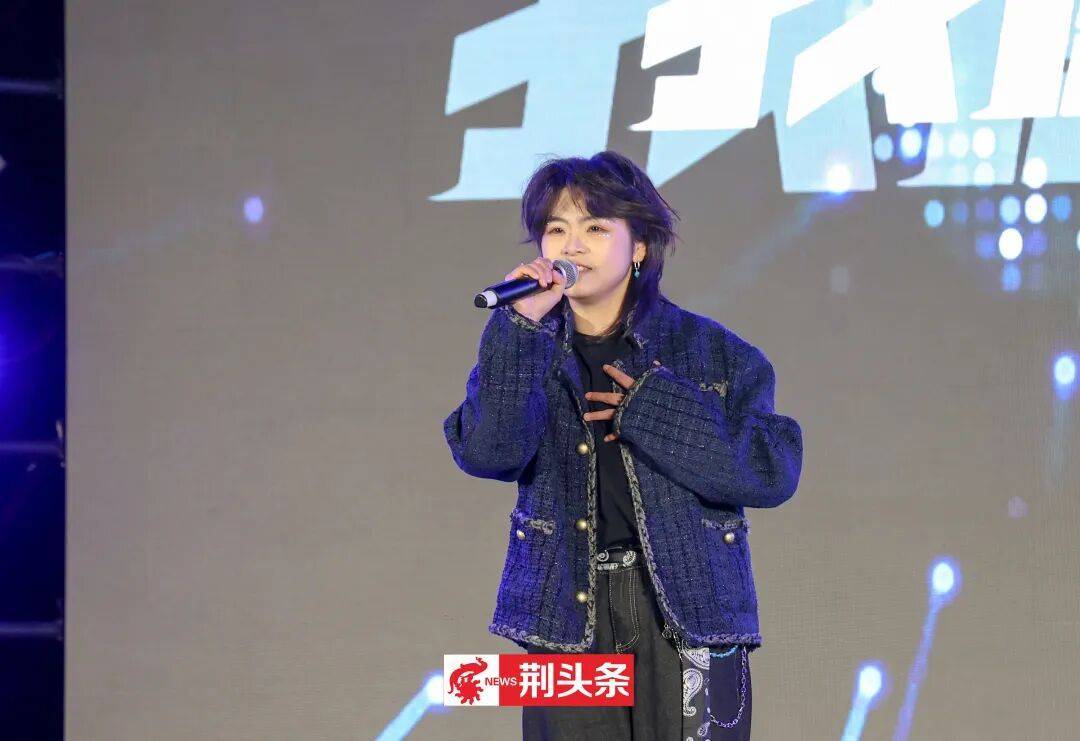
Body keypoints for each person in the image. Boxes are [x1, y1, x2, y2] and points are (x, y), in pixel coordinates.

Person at [443, 150, 803, 740]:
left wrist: (654, 411)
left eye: (595, 228)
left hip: (693, 617)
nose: (571, 245)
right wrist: (520, 327)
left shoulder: (713, 353)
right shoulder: (526, 345)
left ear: (639, 247)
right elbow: (486, 451)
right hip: (563, 618)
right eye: (556, 229)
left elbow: (772, 470)